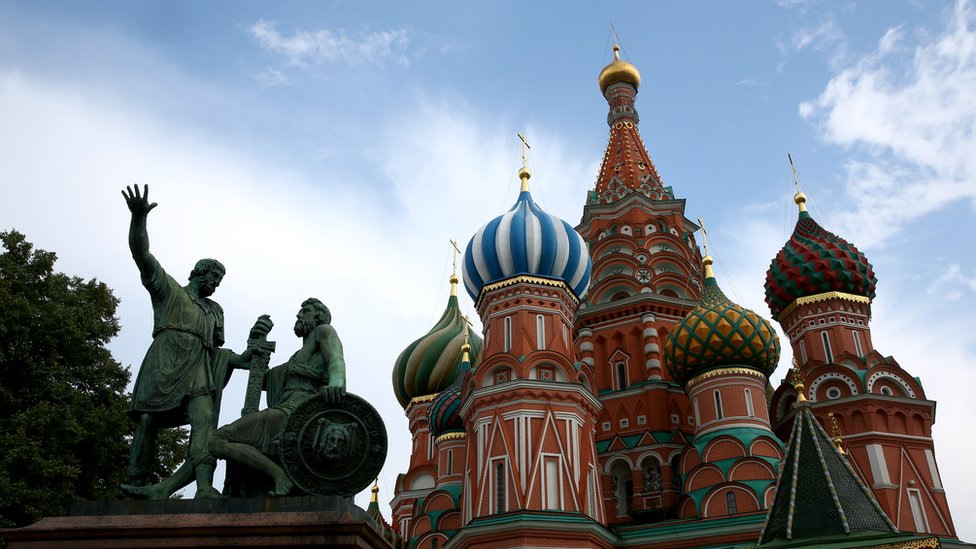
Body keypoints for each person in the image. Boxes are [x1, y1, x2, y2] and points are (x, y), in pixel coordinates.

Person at [121, 184, 230, 498]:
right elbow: (142, 255)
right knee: (147, 421)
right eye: (214, 278)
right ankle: (136, 484)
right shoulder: (169, 292)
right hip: (164, 361)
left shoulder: (214, 311)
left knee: (204, 422)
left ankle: (205, 486)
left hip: (197, 369)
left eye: (219, 282)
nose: (216, 285)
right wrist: (138, 219)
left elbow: (219, 353)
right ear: (199, 273)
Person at [210, 298, 346, 496]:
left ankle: (279, 475)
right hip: (284, 408)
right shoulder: (297, 356)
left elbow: (336, 360)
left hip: (298, 411)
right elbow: (263, 381)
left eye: (305, 311)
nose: (299, 315)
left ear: (318, 316)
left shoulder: (323, 331)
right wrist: (256, 346)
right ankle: (275, 475)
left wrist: (335, 383)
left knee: (218, 441)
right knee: (218, 441)